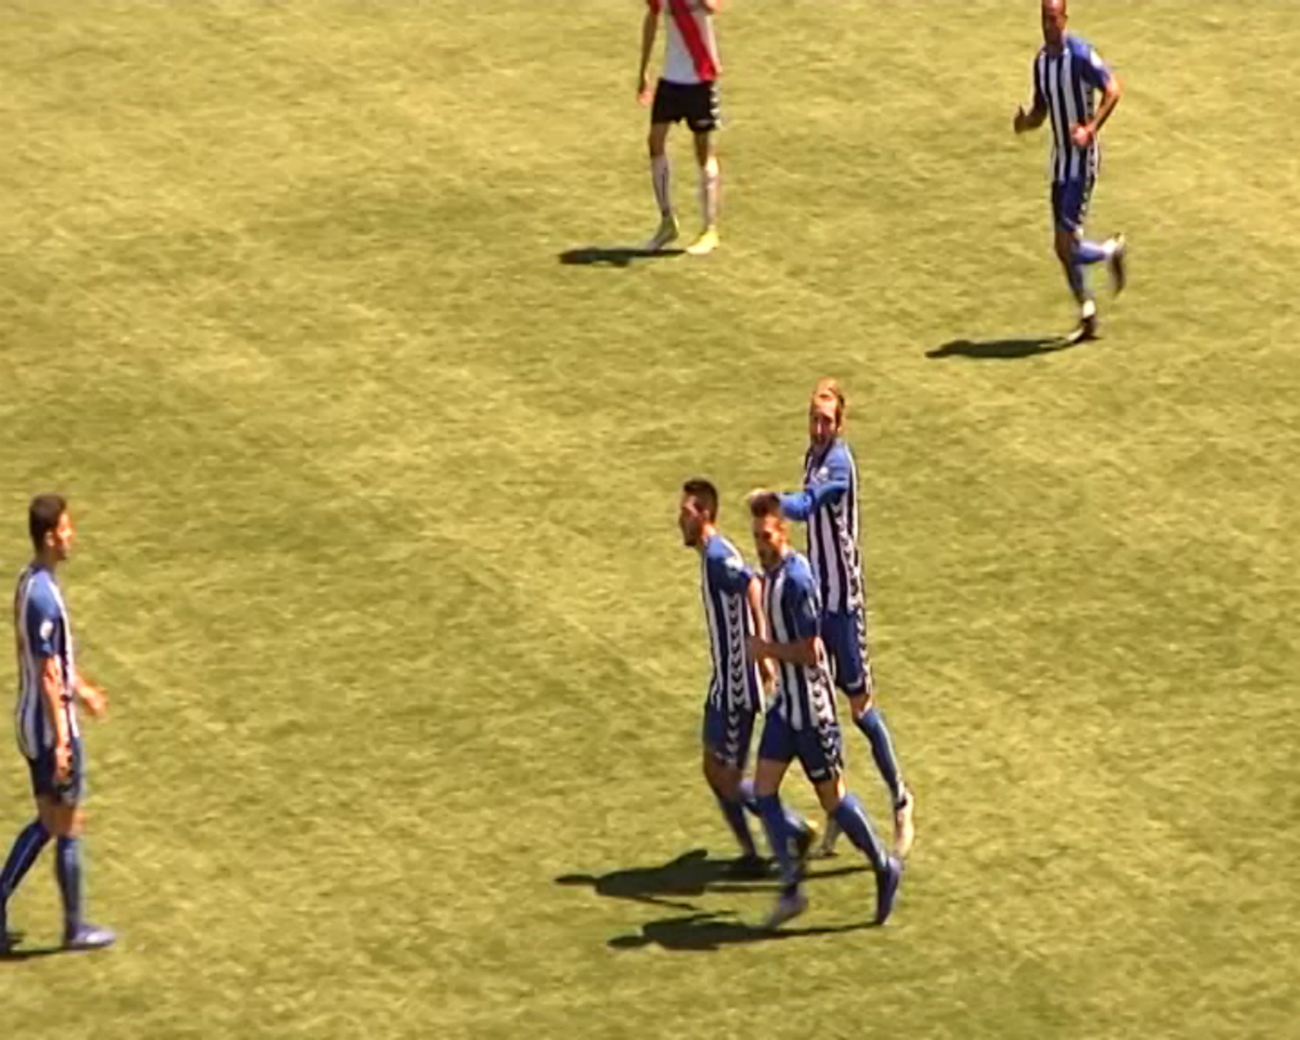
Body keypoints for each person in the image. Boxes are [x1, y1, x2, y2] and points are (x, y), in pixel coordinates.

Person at [745, 492, 902, 929]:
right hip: (784, 712)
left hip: (813, 715)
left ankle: (883, 864)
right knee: (763, 791)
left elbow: (814, 652)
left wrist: (767, 651)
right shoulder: (769, 573)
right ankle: (792, 890)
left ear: (784, 532)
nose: (761, 543)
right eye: (756, 536)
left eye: (767, 535)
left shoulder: (797, 580)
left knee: (834, 801)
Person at [776, 379, 915, 859]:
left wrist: (775, 505)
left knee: (861, 710)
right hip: (818, 601)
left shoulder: (837, 464)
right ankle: (839, 809)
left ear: (840, 424)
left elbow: (808, 504)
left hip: (844, 609)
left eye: (826, 421)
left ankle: (900, 797)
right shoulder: (811, 457)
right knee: (821, 711)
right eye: (813, 419)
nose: (817, 428)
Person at [678, 480, 814, 878]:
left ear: (704, 514)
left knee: (731, 778)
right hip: (722, 683)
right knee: (712, 769)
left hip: (738, 687)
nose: (679, 521)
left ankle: (793, 830)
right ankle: (752, 851)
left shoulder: (720, 556)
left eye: (686, 514)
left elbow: (752, 584)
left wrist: (761, 644)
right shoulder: (710, 556)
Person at [1, 495, 115, 953]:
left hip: (30, 723)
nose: (72, 536)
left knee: (52, 821)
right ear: (51, 537)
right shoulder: (45, 598)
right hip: (49, 729)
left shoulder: (29, 582)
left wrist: (82, 688)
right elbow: (49, 675)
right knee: (66, 822)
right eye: (67, 529)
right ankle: (74, 928)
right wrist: (65, 739)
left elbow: (48, 662)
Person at [1014, 0, 1126, 341]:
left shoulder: (1079, 55)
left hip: (1081, 163)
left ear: (1064, 19)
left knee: (1066, 242)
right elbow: (1041, 108)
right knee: (1063, 249)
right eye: (1044, 20)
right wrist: (1026, 122)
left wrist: (1091, 128)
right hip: (1059, 162)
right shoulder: (1041, 62)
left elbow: (1113, 89)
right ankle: (1088, 314)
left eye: (1053, 19)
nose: (1049, 26)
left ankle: (1110, 251)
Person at [637, 0, 723, 255]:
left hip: (700, 78)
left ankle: (709, 229)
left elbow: (712, 7)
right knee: (655, 142)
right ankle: (666, 221)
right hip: (671, 79)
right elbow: (652, 19)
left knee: (703, 153)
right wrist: (643, 70)